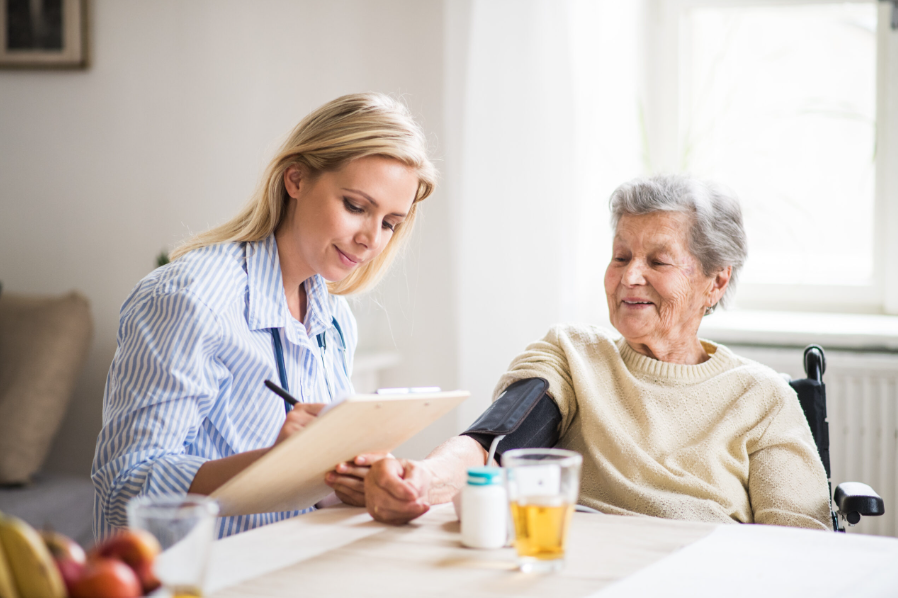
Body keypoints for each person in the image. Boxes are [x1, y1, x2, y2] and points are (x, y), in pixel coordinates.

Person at [365, 174, 832, 530]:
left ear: (717, 280)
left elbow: (799, 547)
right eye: (621, 256)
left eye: (658, 261)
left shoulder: (762, 398)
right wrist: (423, 480)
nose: (630, 277)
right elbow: (493, 442)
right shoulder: (572, 354)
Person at [92, 93, 436, 539]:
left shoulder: (333, 317)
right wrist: (272, 465)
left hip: (287, 565)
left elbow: (315, 489)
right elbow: (124, 491)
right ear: (295, 179)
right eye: (355, 206)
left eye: (390, 223)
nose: (371, 239)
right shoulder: (190, 298)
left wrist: (363, 479)